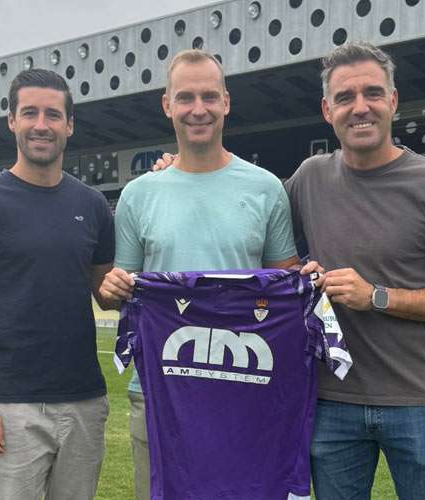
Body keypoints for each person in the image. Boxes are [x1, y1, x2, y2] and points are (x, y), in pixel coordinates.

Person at [97, 49, 319, 500]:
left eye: (208, 97)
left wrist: (306, 281)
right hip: (159, 391)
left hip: (246, 386)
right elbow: (121, 292)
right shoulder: (139, 195)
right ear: (167, 105)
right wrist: (112, 287)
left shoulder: (265, 187)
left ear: (226, 102)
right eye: (185, 98)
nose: (198, 109)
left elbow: (284, 281)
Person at [285, 42, 425, 499]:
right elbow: (251, 218)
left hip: (416, 402)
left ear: (393, 100)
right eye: (345, 97)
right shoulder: (309, 177)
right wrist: (184, 169)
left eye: (373, 93)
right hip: (331, 401)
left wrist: (377, 295)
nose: (360, 108)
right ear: (326, 109)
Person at [0, 69, 114, 500]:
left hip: (84, 400)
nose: (41, 124)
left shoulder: (92, 206)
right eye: (30, 112)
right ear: (12, 121)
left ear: (69, 125)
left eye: (53, 114)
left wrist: (125, 287)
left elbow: (105, 293)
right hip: (10, 404)